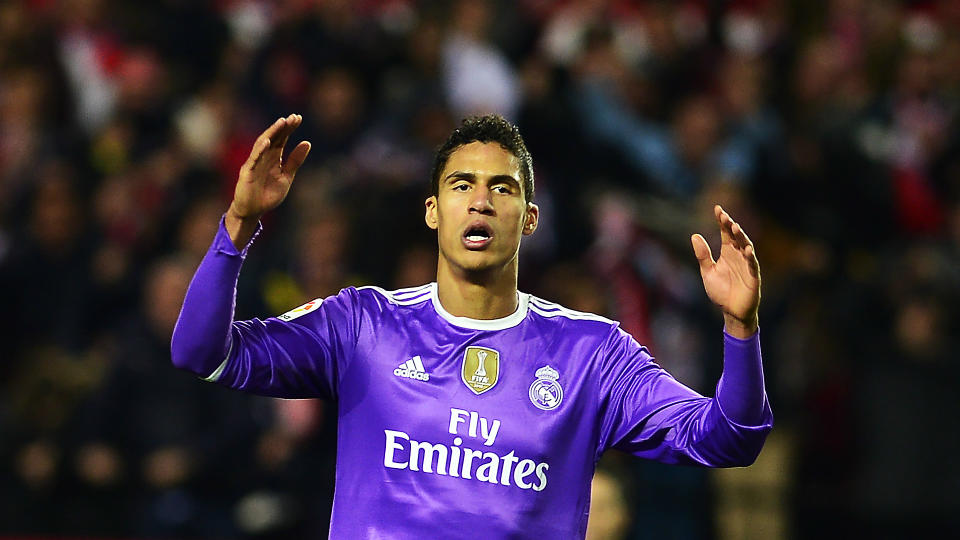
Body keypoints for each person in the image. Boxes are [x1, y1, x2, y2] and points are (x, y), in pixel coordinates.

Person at [171, 113, 772, 538]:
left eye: (501, 188)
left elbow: (728, 438)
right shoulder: (362, 325)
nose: (480, 201)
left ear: (529, 218)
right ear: (434, 210)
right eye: (462, 185)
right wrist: (238, 226)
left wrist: (740, 329)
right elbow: (200, 352)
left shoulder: (591, 354)